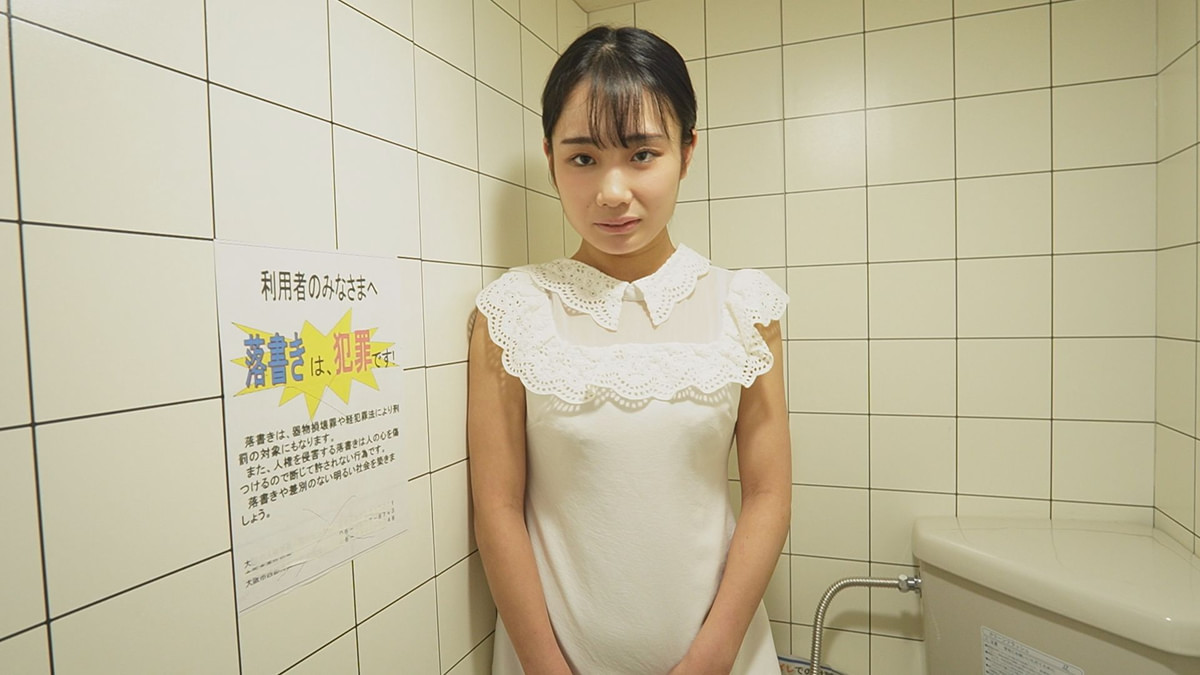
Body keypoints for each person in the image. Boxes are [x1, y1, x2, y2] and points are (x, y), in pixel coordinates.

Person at [467, 25, 791, 675]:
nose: (612, 192)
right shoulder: (512, 310)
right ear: (550, 157)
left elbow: (768, 494)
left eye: (642, 154)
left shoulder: (744, 304)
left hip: (724, 655)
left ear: (687, 150)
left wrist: (711, 657)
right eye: (583, 158)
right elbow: (496, 508)